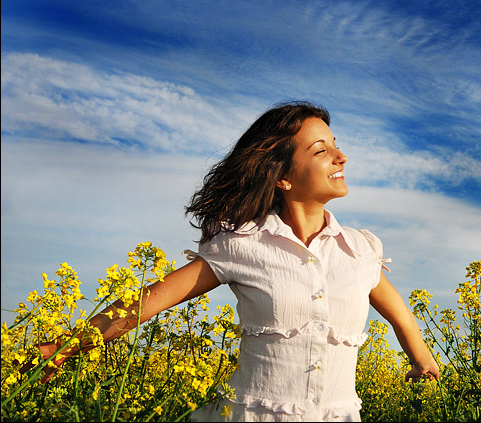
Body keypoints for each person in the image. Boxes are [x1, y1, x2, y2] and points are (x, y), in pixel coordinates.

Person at [21, 101, 440, 422]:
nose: (340, 156)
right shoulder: (243, 245)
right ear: (283, 177)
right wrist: (62, 349)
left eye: (336, 145)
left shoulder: (358, 249)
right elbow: (145, 304)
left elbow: (398, 312)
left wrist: (423, 363)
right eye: (321, 149)